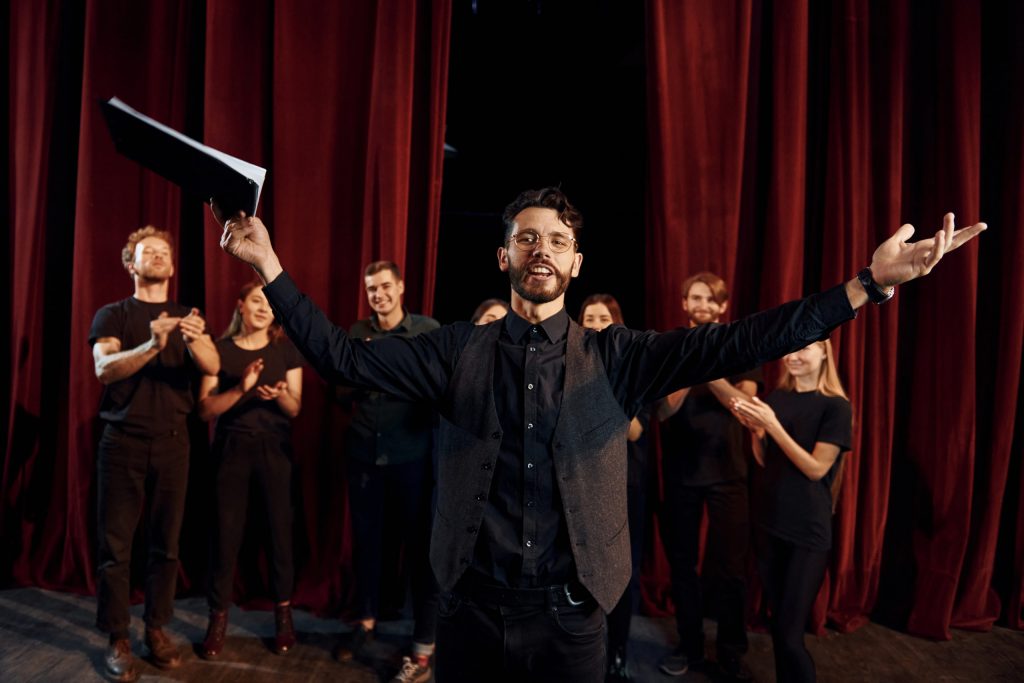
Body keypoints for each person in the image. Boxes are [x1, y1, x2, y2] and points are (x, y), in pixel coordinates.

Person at [211, 189, 983, 682]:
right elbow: (342, 355)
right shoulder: (454, 349)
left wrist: (867, 284)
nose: (540, 248)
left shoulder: (620, 356)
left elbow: (742, 339)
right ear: (503, 254)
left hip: (574, 619)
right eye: (526, 237)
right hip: (471, 616)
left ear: (576, 262)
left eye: (556, 239)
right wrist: (271, 264)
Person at [90, 226, 219, 682]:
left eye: (165, 252)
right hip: (121, 443)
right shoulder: (112, 315)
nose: (160, 257)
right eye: (149, 252)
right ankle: (118, 637)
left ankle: (157, 630)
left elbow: (214, 366)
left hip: (173, 443)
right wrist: (152, 344)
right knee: (116, 547)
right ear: (131, 263)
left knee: (166, 546)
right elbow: (105, 369)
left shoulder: (188, 315)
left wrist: (195, 338)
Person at [334, 261, 440, 683]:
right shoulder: (357, 333)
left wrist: (389, 371)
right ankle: (365, 621)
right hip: (363, 455)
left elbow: (438, 387)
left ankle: (423, 641)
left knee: (419, 551)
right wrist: (365, 374)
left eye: (384, 287)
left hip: (411, 456)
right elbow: (342, 392)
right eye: (371, 289)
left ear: (400, 287)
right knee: (367, 546)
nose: (378, 295)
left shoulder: (426, 330)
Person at [656, 272, 761, 680]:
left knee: (731, 569)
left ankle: (731, 651)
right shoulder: (670, 348)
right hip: (681, 476)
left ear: (722, 307)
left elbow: (746, 407)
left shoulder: (740, 346)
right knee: (682, 567)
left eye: (709, 299)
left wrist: (708, 367)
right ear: (684, 303)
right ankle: (690, 646)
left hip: (728, 476)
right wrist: (687, 361)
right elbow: (663, 411)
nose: (700, 304)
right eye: (693, 297)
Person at [730, 340, 851, 683]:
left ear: (825, 352)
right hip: (769, 523)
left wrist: (773, 425)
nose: (793, 356)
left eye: (805, 349)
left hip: (806, 532)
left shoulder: (835, 407)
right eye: (790, 350)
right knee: (778, 628)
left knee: (789, 634)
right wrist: (756, 432)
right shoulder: (778, 399)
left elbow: (815, 469)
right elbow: (766, 461)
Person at [195, 281, 304, 659]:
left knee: (279, 536)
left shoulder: (285, 349)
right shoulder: (219, 351)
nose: (264, 309)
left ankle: (283, 618)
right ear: (241, 305)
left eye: (270, 304)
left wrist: (280, 396)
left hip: (275, 451)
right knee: (225, 538)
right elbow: (205, 410)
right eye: (257, 301)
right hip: (231, 451)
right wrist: (242, 389)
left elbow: (295, 408)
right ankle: (217, 620)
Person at [578, 293, 652, 682]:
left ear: (616, 323)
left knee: (622, 571)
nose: (594, 324)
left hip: (624, 485)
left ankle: (617, 653)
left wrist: (601, 388)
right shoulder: (568, 363)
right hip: (580, 483)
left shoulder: (632, 364)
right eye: (588, 318)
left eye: (602, 317)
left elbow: (636, 430)